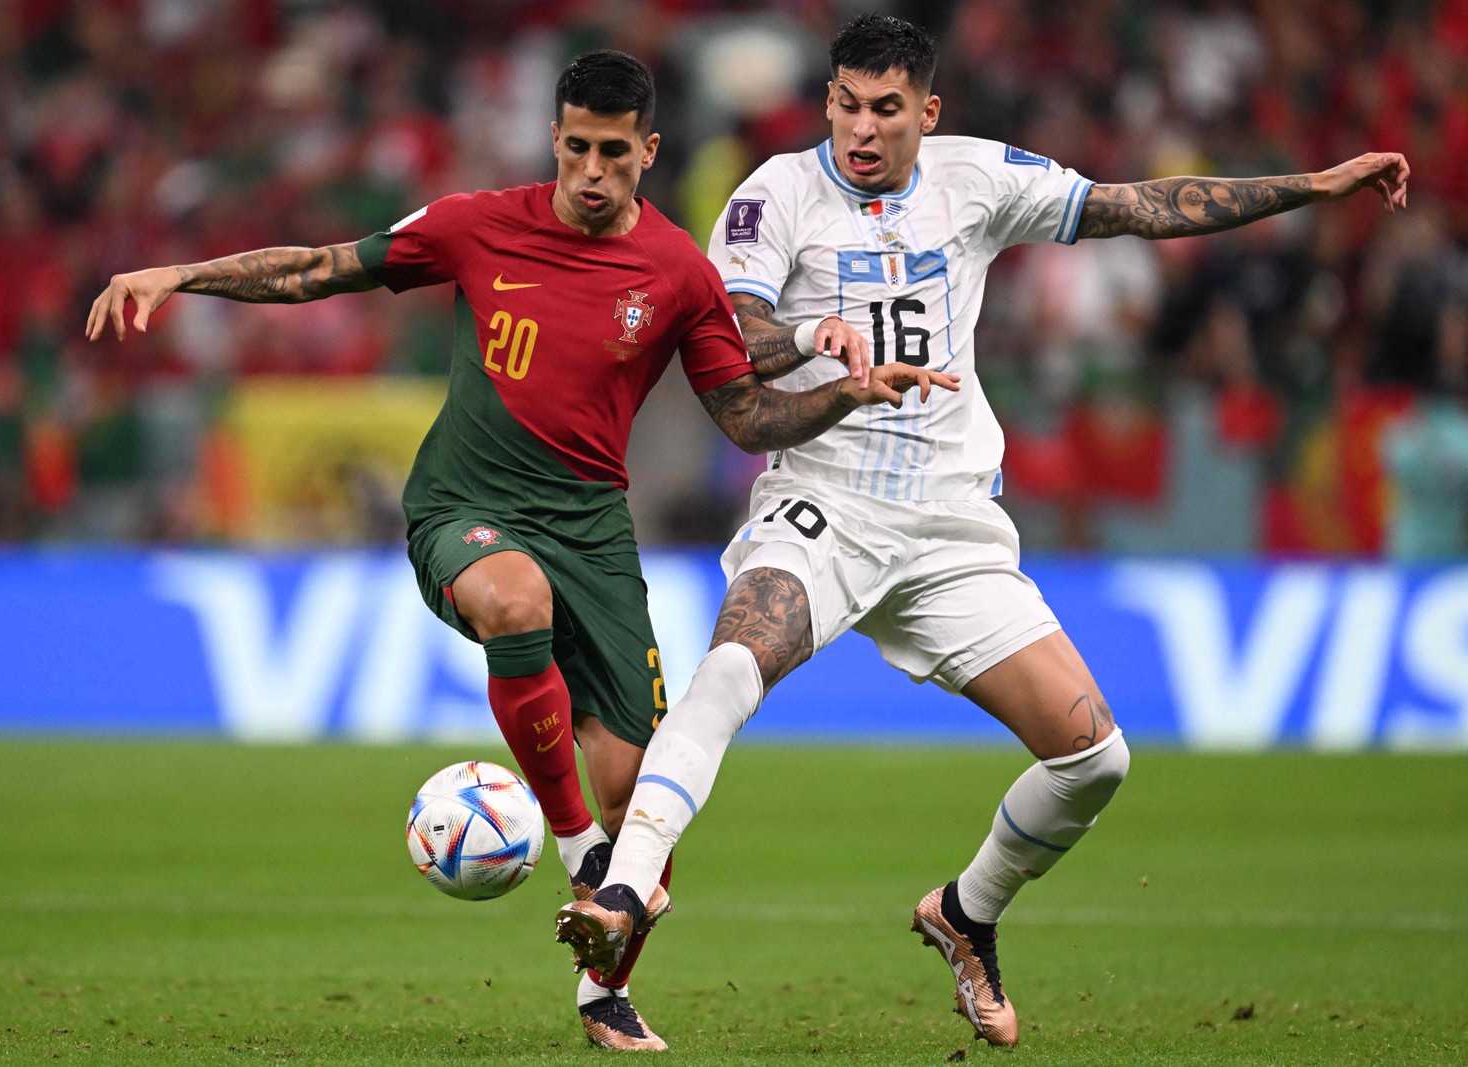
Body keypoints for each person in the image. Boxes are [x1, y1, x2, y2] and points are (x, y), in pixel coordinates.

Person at [555, 14, 1411, 1049]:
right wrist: (808, 337)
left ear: (927, 110)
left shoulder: (977, 178)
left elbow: (1134, 206)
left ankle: (966, 910)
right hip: (824, 499)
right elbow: (733, 323)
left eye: (883, 109)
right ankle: (624, 892)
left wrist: (1310, 186)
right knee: (733, 664)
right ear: (825, 101)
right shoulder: (775, 193)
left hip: (951, 524)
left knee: (1093, 755)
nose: (860, 130)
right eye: (843, 105)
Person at [85, 49, 950, 1052]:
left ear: (648, 151)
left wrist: (840, 390)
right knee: (515, 601)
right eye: (576, 146)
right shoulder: (474, 224)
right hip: (465, 505)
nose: (591, 169)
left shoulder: (677, 273)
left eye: (613, 152)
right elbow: (322, 268)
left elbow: (746, 418)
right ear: (554, 139)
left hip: (592, 529)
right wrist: (178, 274)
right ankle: (577, 846)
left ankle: (601, 992)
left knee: (643, 798)